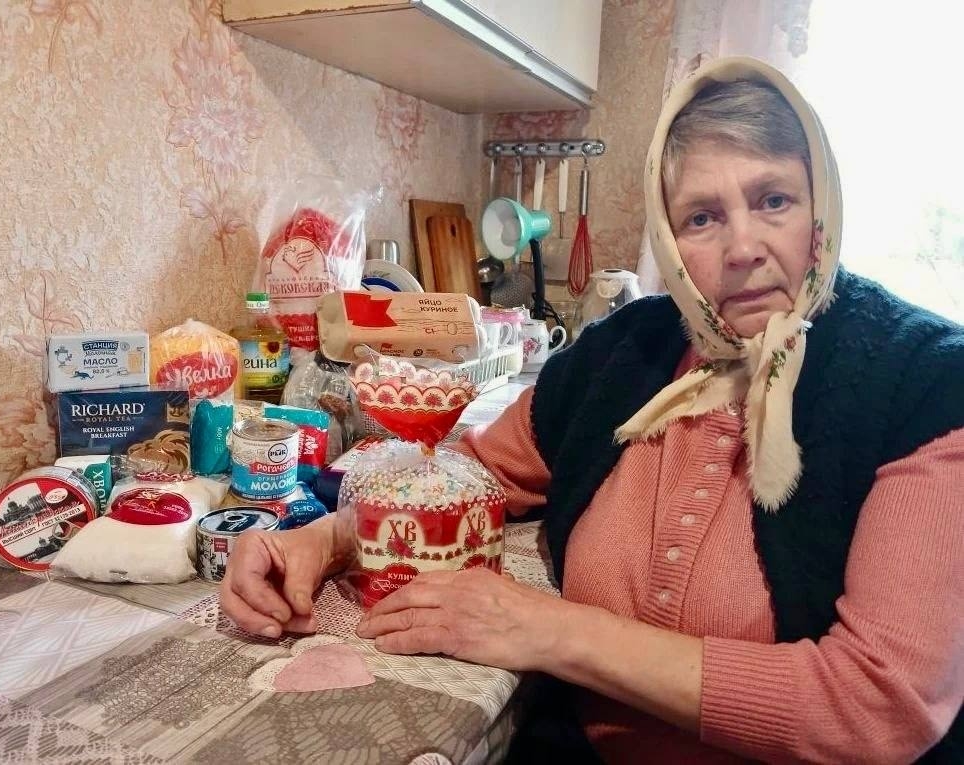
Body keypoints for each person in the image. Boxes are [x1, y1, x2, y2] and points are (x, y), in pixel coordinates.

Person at [220, 57, 964, 763]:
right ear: (667, 239)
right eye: (702, 217)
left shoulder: (924, 378)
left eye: (774, 199)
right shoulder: (627, 350)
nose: (743, 246)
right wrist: (323, 539)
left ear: (821, 205)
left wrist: (551, 631)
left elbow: (877, 705)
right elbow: (469, 472)